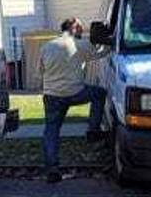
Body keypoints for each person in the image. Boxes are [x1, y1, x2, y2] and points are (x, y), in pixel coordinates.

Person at [39, 18, 109, 183]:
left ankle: (52, 168)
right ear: (73, 28)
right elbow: (101, 53)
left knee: (51, 131)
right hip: (75, 92)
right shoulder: (79, 44)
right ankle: (93, 130)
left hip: (51, 95)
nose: (82, 30)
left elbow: (41, 70)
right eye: (79, 27)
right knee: (99, 94)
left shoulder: (46, 46)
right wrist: (108, 42)